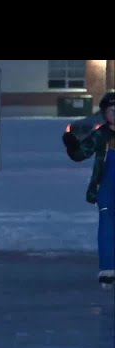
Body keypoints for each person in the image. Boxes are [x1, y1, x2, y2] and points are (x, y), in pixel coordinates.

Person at [63, 92, 115, 287]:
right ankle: (108, 268)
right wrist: (71, 142)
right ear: (105, 114)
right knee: (107, 223)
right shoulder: (100, 134)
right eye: (111, 111)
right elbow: (79, 154)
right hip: (107, 186)